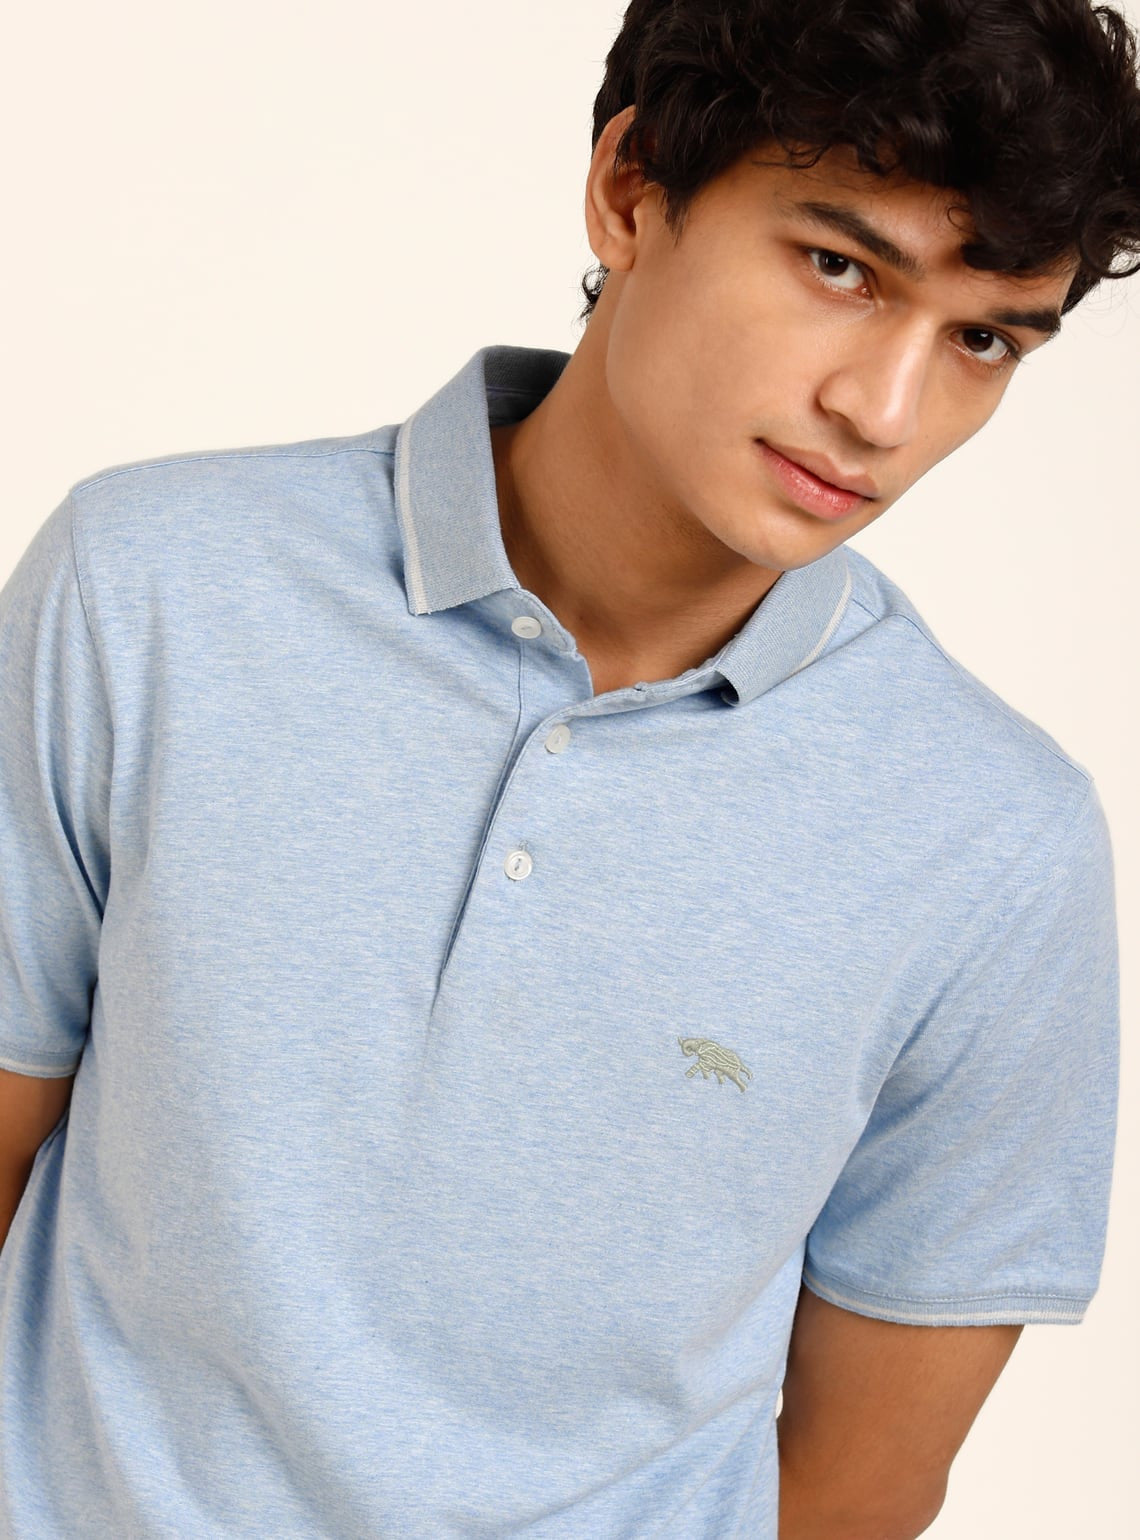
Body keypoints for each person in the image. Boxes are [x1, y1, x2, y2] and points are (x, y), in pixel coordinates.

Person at [1, 1, 1136, 1535]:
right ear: (629, 186)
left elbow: (859, 1489)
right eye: (839, 267)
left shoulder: (997, 846)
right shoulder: (151, 590)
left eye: (982, 338)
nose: (882, 412)